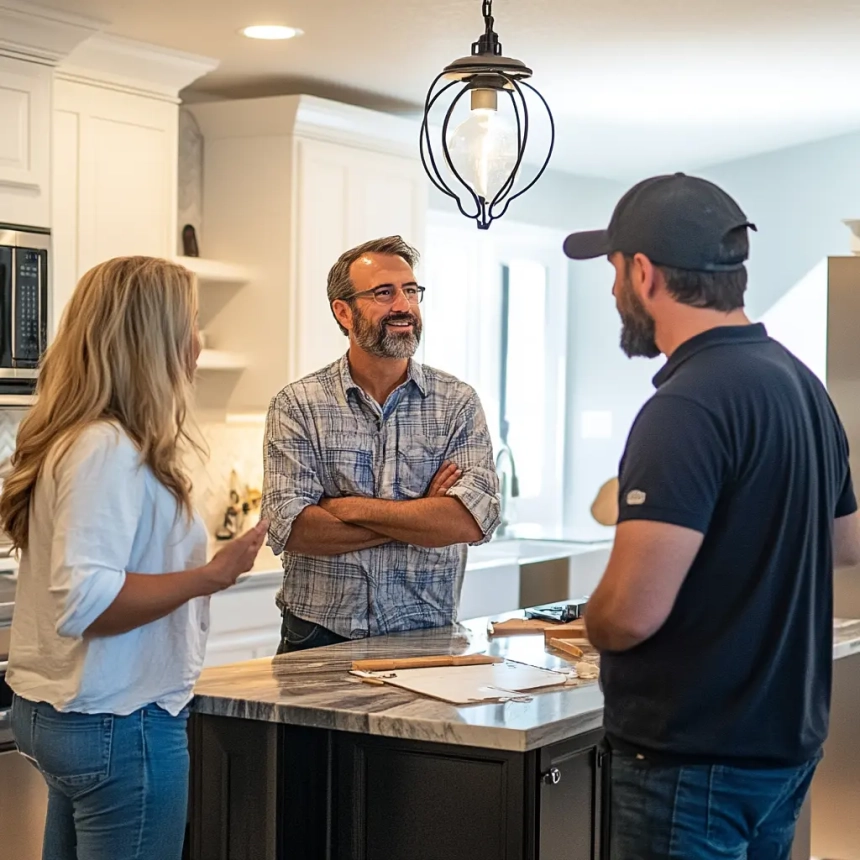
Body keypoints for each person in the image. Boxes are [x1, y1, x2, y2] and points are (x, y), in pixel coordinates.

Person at [563, 173, 860, 859]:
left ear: (643, 274)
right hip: (783, 752)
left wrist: (593, 615)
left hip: (693, 764)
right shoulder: (799, 384)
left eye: (612, 272)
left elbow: (631, 612)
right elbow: (844, 543)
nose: (612, 292)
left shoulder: (685, 407)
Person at [1, 256, 268, 860]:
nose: (197, 344)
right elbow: (88, 601)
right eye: (190, 324)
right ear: (153, 340)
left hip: (68, 716)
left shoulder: (73, 437)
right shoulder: (107, 448)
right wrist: (210, 576)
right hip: (120, 722)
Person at [263, 235, 500, 652]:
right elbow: (294, 527)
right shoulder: (297, 404)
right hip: (318, 636)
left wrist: (349, 508)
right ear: (344, 312)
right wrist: (420, 520)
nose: (404, 306)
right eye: (384, 293)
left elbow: (469, 521)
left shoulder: (457, 403)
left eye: (411, 291)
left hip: (428, 637)